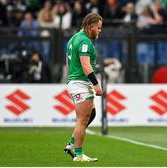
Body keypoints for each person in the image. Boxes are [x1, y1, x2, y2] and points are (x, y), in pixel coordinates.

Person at [64, 13, 103, 162]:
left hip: (76, 81)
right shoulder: (84, 41)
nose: (100, 31)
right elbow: (85, 64)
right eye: (98, 28)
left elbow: (67, 62)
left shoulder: (73, 39)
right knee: (82, 119)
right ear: (90, 26)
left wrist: (70, 79)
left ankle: (71, 144)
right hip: (80, 82)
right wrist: (96, 84)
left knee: (90, 115)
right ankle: (79, 155)